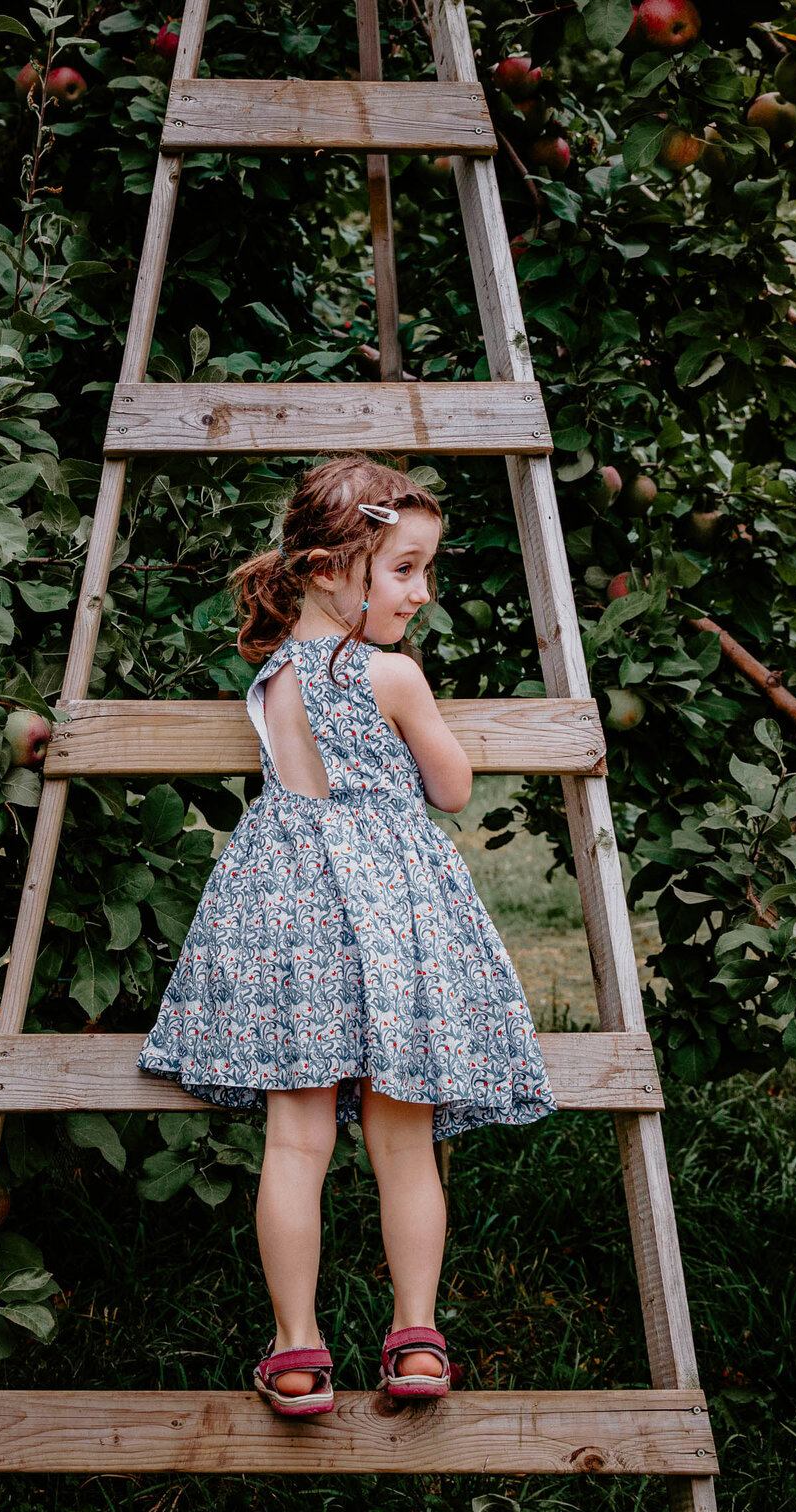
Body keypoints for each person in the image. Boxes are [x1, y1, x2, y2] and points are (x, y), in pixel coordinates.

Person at [137, 454, 557, 1417]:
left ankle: (296, 1348)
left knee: (296, 1141)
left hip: (290, 916)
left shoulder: (275, 675)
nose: (423, 591)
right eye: (405, 569)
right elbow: (450, 788)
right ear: (333, 570)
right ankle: (416, 1336)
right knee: (403, 1141)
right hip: (389, 917)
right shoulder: (392, 676)